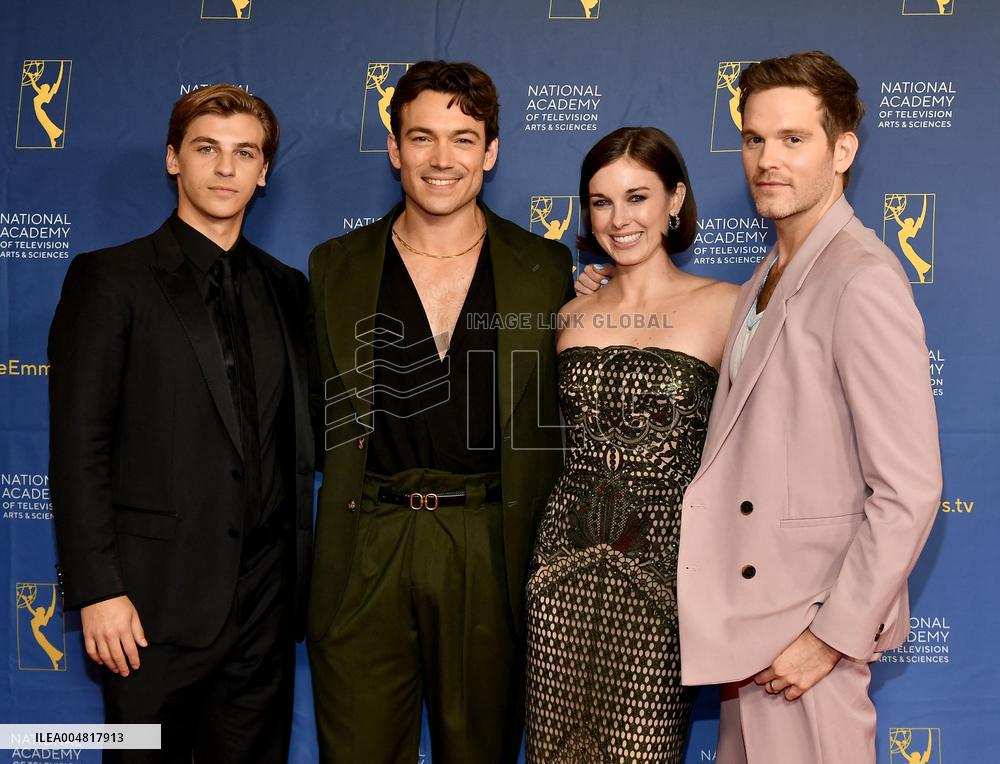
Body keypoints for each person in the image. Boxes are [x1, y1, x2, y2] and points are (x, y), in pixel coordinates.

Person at [577, 51, 941, 763]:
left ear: (843, 151)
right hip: (748, 637)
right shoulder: (765, 277)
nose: (767, 160)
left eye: (793, 139)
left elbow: (910, 489)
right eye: (754, 138)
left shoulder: (861, 278)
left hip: (805, 643)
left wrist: (830, 638)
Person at [307, 60, 574, 763]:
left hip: (490, 545)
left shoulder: (546, 267)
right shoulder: (333, 265)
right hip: (367, 543)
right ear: (394, 149)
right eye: (421, 137)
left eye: (463, 138)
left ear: (491, 152)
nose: (441, 158)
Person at [48, 84, 315, 763]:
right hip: (149, 608)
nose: (226, 168)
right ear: (173, 159)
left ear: (263, 171)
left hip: (264, 610)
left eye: (244, 153)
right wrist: (99, 591)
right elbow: (79, 447)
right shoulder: (110, 279)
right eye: (206, 149)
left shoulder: (289, 288)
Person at [524, 127, 738, 762]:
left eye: (637, 197)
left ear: (675, 200)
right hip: (561, 571)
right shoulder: (569, 313)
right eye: (601, 201)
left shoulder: (728, 307)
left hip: (666, 574)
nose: (619, 219)